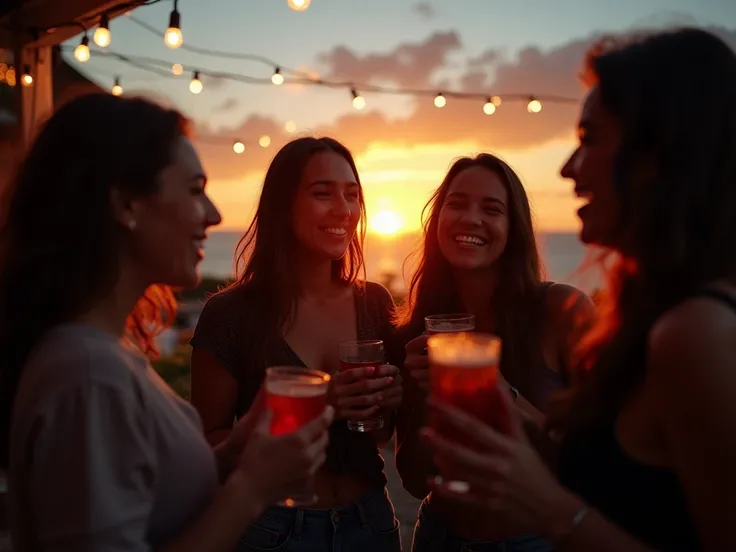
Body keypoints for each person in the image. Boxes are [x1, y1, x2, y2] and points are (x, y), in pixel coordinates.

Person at [422, 28, 736, 552]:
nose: (568, 168)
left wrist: (548, 509)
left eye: (589, 139)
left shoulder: (695, 332)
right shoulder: (650, 314)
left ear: (658, 153)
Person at [0, 93, 333, 552]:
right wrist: (251, 490)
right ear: (127, 205)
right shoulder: (90, 374)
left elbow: (147, 496)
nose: (214, 215)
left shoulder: (103, 351)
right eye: (195, 189)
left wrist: (234, 454)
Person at [190, 136, 403, 551]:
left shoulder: (373, 302)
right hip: (273, 529)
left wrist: (385, 402)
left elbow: (378, 436)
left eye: (352, 195)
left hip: (370, 522)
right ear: (282, 206)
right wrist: (322, 404)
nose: (343, 209)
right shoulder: (230, 314)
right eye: (322, 193)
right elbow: (209, 446)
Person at [393, 153, 594, 551]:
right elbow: (415, 482)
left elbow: (594, 464)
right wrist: (428, 396)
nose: (471, 218)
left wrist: (500, 394)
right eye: (457, 203)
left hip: (533, 540)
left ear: (512, 228)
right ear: (438, 221)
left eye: (492, 209)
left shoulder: (561, 311)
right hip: (440, 535)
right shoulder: (420, 331)